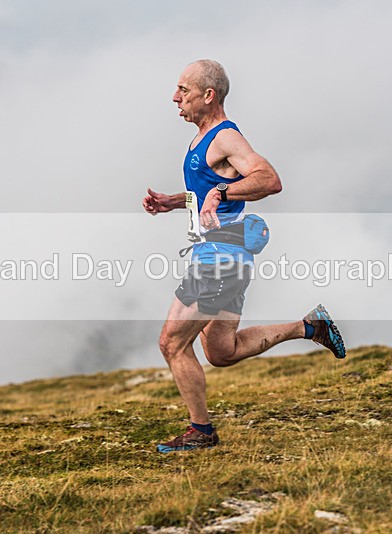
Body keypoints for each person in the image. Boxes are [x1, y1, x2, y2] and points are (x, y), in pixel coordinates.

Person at [142, 59, 345, 453]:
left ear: (208, 95)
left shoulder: (225, 137)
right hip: (226, 257)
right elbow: (211, 189)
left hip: (218, 259)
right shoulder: (202, 139)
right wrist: (175, 200)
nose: (175, 97)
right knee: (221, 352)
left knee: (172, 344)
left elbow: (268, 179)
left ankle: (200, 432)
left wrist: (222, 194)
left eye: (183, 90)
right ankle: (310, 326)